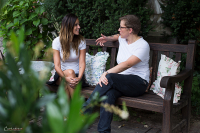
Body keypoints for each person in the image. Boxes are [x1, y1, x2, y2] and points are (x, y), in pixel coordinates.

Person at [83, 15, 150, 133]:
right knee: (109, 94)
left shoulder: (143, 45)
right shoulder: (123, 39)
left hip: (138, 83)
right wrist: (108, 38)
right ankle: (103, 131)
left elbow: (127, 64)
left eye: (121, 27)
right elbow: (117, 36)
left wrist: (106, 72)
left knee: (109, 77)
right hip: (121, 82)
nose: (119, 29)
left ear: (130, 30)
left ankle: (85, 110)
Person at [47, 14, 87, 99]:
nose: (79, 27)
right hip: (61, 75)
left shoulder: (81, 41)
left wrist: (79, 78)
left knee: (67, 82)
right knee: (69, 73)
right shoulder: (57, 42)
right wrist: (66, 78)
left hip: (77, 77)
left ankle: (68, 111)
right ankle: (77, 110)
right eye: (76, 25)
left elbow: (82, 63)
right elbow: (57, 66)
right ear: (69, 26)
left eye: (78, 24)